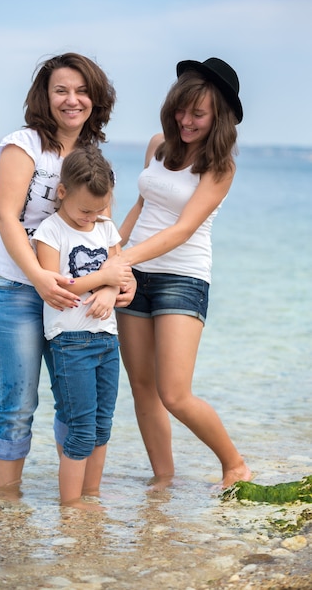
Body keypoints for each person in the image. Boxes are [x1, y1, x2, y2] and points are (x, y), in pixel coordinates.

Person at [0, 52, 134, 500]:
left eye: (83, 90)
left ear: (96, 99)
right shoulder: (23, 145)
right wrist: (39, 278)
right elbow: (6, 218)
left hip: (78, 299)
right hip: (15, 291)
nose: (72, 99)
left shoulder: (92, 158)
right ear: (44, 97)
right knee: (18, 403)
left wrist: (118, 280)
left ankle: (78, 506)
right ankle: (8, 512)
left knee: (79, 403)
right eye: (61, 90)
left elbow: (108, 234)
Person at [109, 57, 252, 490]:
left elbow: (183, 229)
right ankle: (163, 480)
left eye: (198, 114)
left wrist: (122, 262)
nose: (186, 121)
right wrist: (113, 249)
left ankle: (235, 465)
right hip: (133, 276)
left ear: (218, 118)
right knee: (142, 388)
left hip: (183, 280)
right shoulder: (157, 144)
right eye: (181, 109)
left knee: (174, 393)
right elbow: (142, 204)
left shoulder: (220, 167)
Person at [33, 144, 130, 507]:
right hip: (69, 341)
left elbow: (120, 271)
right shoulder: (50, 231)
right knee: (81, 429)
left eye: (98, 210)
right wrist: (104, 277)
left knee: (103, 426)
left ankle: (92, 497)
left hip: (107, 339)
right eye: (84, 210)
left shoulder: (106, 228)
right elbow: (54, 283)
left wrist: (108, 288)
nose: (91, 218)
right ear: (62, 192)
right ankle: (70, 508)